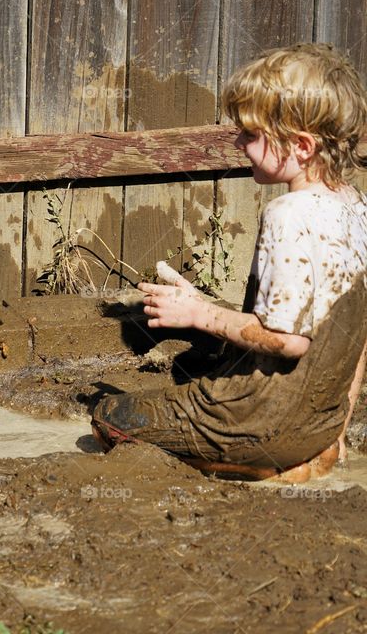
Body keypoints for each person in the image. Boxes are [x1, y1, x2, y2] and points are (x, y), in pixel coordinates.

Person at [92, 43, 367, 483]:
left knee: (112, 415)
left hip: (266, 423)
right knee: (197, 368)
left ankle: (264, 467)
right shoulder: (356, 207)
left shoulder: (288, 214)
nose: (238, 142)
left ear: (300, 145)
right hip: (321, 425)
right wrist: (337, 427)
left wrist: (198, 314)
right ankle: (308, 455)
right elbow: (356, 339)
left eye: (251, 134)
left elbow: (289, 341)